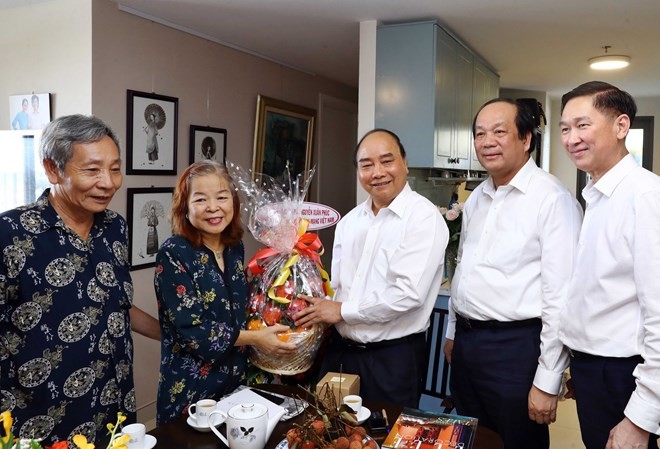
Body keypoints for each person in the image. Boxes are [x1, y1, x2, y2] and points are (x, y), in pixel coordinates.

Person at [0, 114, 160, 447]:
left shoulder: (115, 227)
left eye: (115, 169)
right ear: (52, 169)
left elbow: (115, 303)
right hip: (40, 423)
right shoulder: (9, 234)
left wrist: (173, 335)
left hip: (114, 409)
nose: (109, 182)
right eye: (92, 170)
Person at [442, 99, 583, 449]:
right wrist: (453, 331)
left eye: (499, 132)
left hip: (516, 349)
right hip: (468, 346)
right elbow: (465, 269)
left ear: (525, 140)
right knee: (471, 439)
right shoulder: (477, 198)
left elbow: (561, 296)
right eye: (479, 133)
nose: (487, 141)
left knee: (517, 441)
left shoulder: (552, 199)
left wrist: (547, 379)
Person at [293, 128, 449, 407]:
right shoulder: (349, 222)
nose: (377, 172)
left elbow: (407, 295)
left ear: (404, 162)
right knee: (331, 433)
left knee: (385, 436)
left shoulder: (423, 218)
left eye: (387, 161)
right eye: (366, 165)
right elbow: (339, 290)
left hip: (392, 360)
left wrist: (340, 310)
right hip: (340, 353)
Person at [154, 160, 296, 425]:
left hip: (237, 383)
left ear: (234, 202)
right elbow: (194, 332)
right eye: (200, 199)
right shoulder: (173, 253)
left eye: (222, 197)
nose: (213, 207)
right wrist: (257, 338)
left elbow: (239, 307)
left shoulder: (234, 248)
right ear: (184, 206)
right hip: (192, 389)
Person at [558, 81, 660, 449]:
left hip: (624, 375)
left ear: (621, 127)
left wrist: (641, 416)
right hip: (595, 369)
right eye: (565, 128)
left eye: (583, 125)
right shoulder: (598, 196)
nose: (571, 139)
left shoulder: (645, 197)